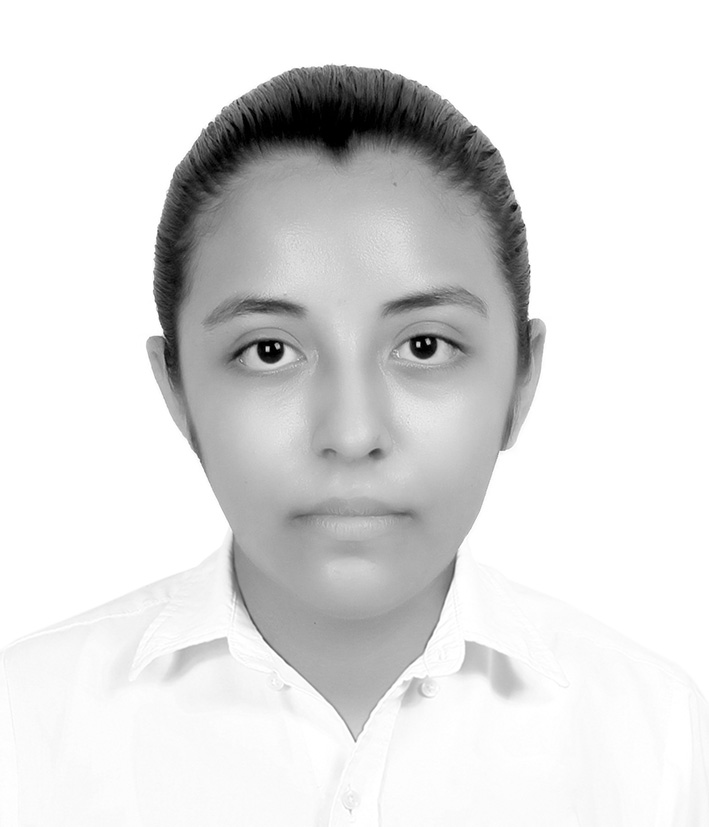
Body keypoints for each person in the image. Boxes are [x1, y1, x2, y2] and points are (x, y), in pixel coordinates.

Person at [0, 64, 706, 826]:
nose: (351, 433)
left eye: (425, 345)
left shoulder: (662, 743)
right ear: (176, 389)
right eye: (268, 351)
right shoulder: (23, 730)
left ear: (521, 379)